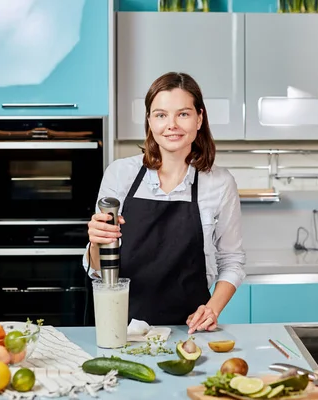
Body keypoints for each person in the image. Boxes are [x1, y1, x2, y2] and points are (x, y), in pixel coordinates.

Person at [83, 72, 246, 334]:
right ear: (149, 121)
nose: (172, 125)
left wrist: (212, 309)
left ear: (199, 118)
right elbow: (99, 268)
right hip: (122, 328)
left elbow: (232, 261)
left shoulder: (220, 183)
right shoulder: (120, 174)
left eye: (183, 114)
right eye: (161, 115)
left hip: (190, 330)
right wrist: (96, 242)